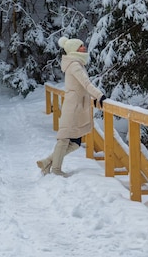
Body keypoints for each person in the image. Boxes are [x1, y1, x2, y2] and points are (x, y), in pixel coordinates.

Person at [36, 37, 106, 176]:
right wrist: (99, 95)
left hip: (76, 106)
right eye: (81, 46)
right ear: (74, 49)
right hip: (73, 106)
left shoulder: (77, 64)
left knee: (75, 142)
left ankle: (48, 161)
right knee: (65, 138)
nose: (84, 47)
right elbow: (86, 84)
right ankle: (56, 169)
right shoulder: (74, 65)